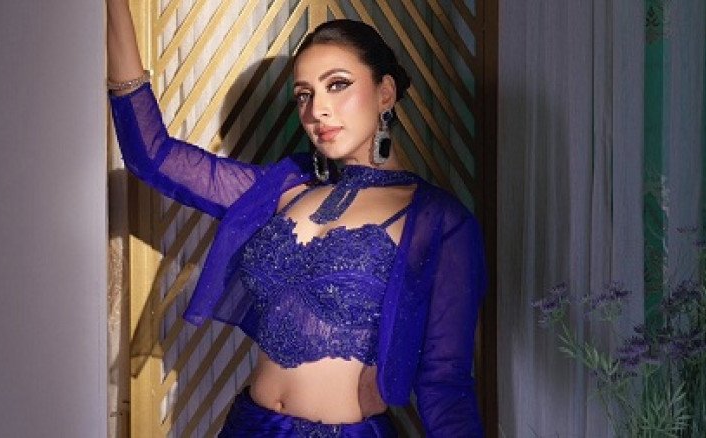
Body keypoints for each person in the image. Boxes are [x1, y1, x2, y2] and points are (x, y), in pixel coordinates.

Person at [107, 0, 487, 436]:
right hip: (248, 425)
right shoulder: (284, 188)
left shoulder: (439, 220)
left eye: (337, 85)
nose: (316, 111)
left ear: (385, 93)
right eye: (304, 95)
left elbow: (445, 381)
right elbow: (152, 156)